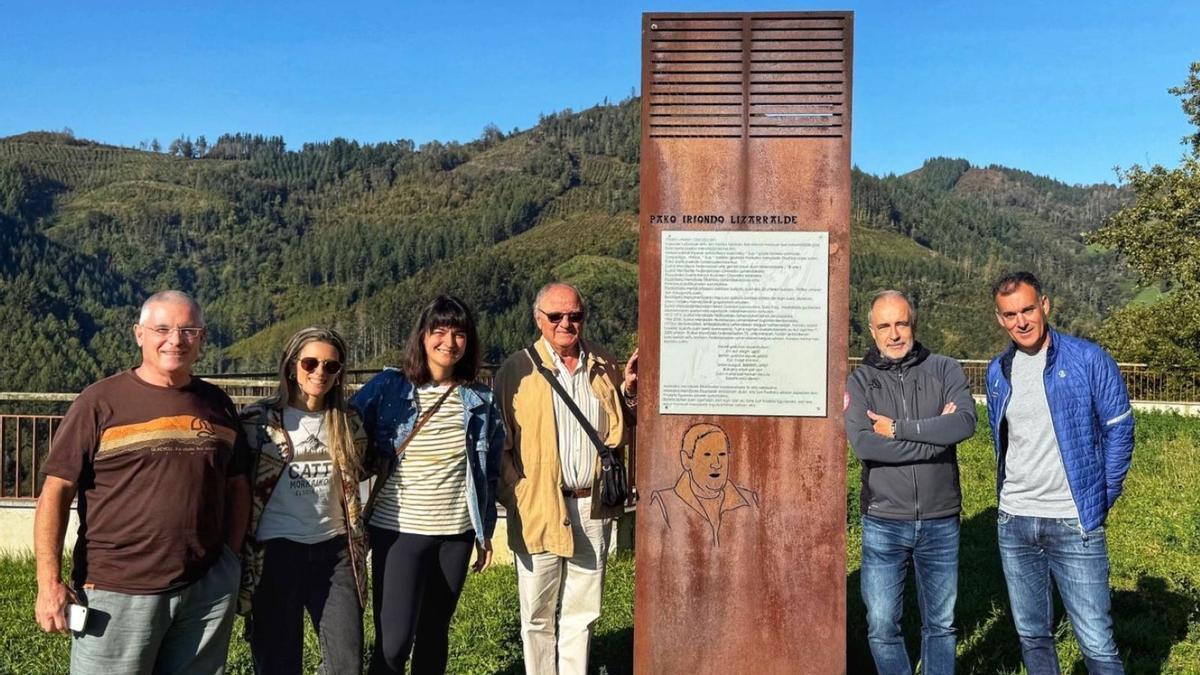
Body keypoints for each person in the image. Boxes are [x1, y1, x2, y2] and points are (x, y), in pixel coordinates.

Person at [33, 290, 250, 673]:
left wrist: (228, 562)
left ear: (202, 337)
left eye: (188, 330)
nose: (175, 340)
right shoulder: (100, 402)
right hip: (117, 590)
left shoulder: (218, 404)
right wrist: (48, 582)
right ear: (139, 334)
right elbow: (56, 491)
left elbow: (236, 485)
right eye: (162, 329)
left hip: (206, 591)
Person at [986, 272, 1133, 675]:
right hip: (1015, 520)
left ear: (1045, 305)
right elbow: (1003, 440)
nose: (1022, 321)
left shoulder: (1088, 359)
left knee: (1097, 643)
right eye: (1010, 314)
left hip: (1074, 521)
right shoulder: (998, 371)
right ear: (1000, 319)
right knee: (1033, 636)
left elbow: (1119, 428)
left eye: (1028, 309)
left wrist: (1100, 498)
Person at [352, 295, 504, 675]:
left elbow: (488, 474)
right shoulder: (390, 387)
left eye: (459, 334)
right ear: (422, 336)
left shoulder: (480, 400)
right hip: (399, 530)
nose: (449, 342)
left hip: (456, 533)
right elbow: (345, 427)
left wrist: (484, 533)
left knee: (435, 634)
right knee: (394, 641)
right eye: (439, 332)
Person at [493, 281, 638, 675]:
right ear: (539, 320)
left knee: (583, 610)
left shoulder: (604, 364)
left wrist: (628, 392)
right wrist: (516, 492)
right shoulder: (515, 370)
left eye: (574, 315)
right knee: (537, 613)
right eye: (555, 316)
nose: (566, 324)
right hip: (539, 505)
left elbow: (623, 427)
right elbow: (499, 442)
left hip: (593, 504)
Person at [844, 290, 977, 675]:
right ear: (872, 332)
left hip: (941, 519)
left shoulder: (945, 368)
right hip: (884, 520)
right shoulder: (861, 381)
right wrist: (934, 441)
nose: (894, 333)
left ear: (913, 324)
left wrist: (899, 430)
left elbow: (964, 423)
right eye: (884, 326)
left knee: (941, 625)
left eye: (901, 323)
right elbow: (866, 446)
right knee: (882, 625)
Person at [238, 327, 368, 674]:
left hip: (336, 553)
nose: (319, 373)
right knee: (278, 663)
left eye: (331, 366)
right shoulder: (257, 422)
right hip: (275, 553)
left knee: (347, 663)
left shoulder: (349, 422)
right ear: (292, 364)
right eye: (310, 363)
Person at [649, 422, 759, 547]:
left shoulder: (749, 500)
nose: (716, 464)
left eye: (722, 454)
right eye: (707, 455)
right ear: (686, 460)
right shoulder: (664, 503)